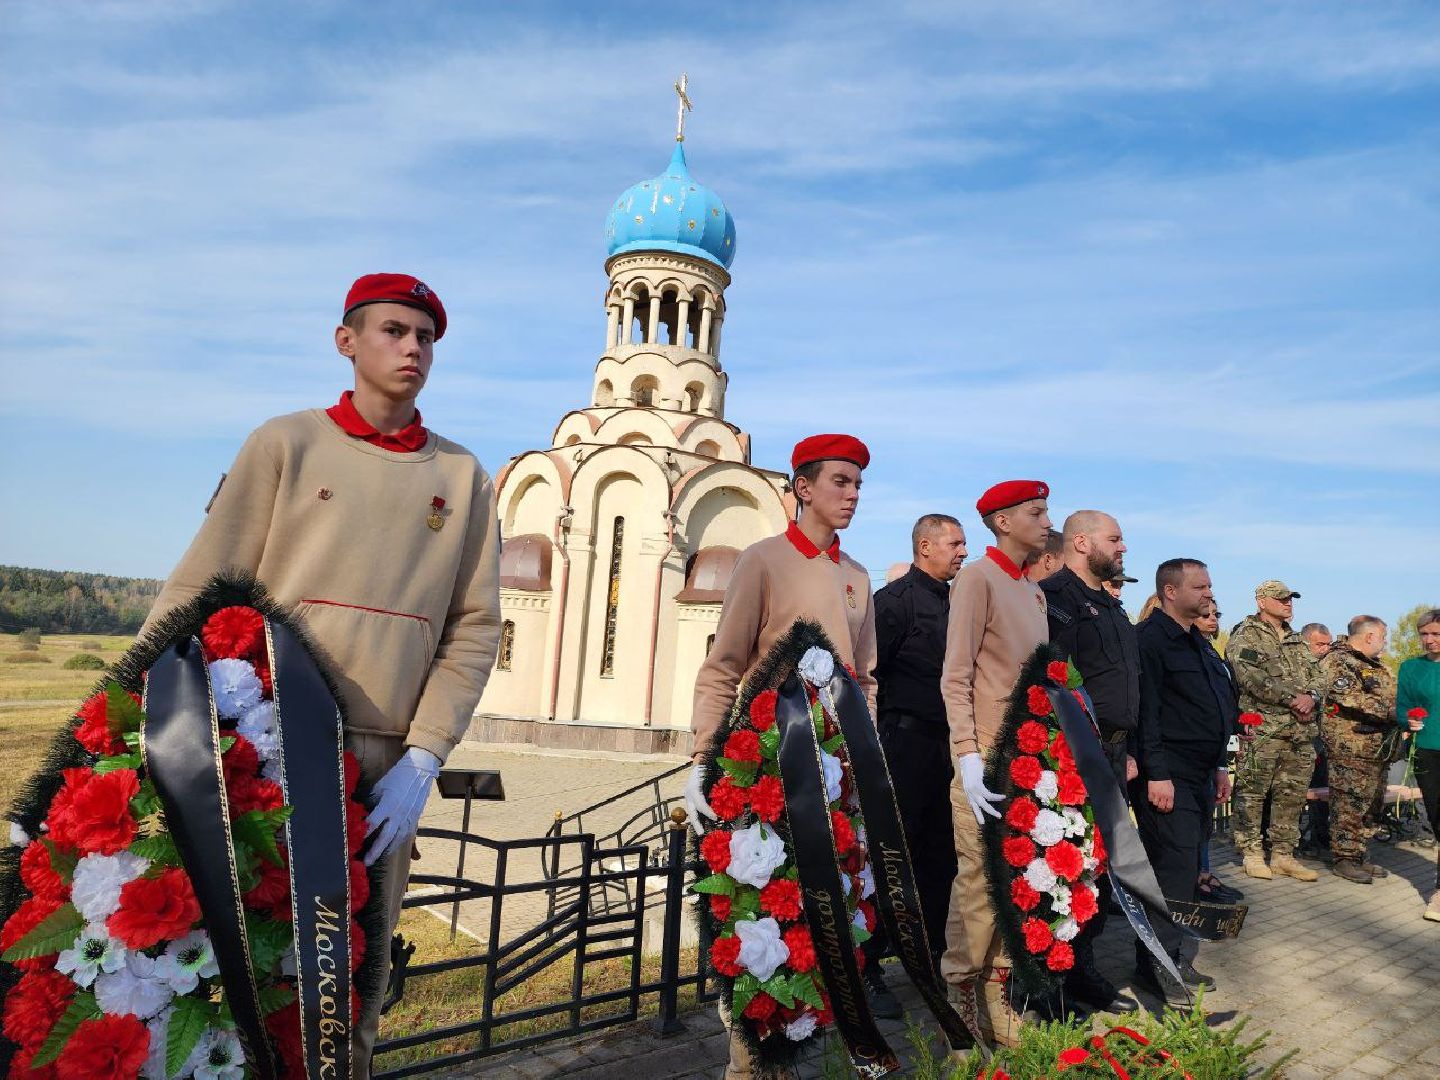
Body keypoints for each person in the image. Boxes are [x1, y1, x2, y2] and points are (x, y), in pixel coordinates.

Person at [140, 274, 503, 1076]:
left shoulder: (465, 478)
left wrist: (426, 754)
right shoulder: (287, 444)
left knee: (350, 987)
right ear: (347, 341)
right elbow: (200, 584)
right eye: (393, 331)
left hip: (380, 768)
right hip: (267, 748)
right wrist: (133, 711)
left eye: (426, 338)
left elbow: (475, 629)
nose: (413, 349)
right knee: (243, 966)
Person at [684, 434, 876, 1080]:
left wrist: (864, 768)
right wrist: (702, 759)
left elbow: (864, 680)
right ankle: (747, 1069)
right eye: (840, 482)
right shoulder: (762, 561)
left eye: (856, 484)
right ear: (803, 488)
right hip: (765, 779)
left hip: (835, 783)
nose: (852, 495)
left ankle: (792, 1062)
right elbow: (723, 667)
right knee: (763, 927)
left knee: (820, 932)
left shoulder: (857, 579)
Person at [939, 480, 1051, 1046]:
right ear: (1003, 521)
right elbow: (956, 674)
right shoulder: (978, 578)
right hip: (987, 763)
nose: (1045, 519)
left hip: (1027, 760)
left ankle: (998, 996)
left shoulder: (1032, 588)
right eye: (1036, 511)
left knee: (1016, 879)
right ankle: (960, 1001)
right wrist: (968, 754)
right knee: (979, 882)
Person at [866, 513, 967, 1017]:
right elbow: (869, 675)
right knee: (891, 855)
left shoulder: (959, 603)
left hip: (945, 749)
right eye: (955, 543)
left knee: (939, 858)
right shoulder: (894, 603)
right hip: (902, 745)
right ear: (925, 546)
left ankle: (925, 958)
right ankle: (867, 968)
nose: (963, 551)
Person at [1039, 511, 1140, 1012]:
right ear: (1081, 542)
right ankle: (1052, 976)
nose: (1123, 547)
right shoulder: (1055, 598)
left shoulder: (1111, 605)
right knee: (1067, 866)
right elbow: (1055, 682)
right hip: (1074, 756)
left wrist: (1131, 750)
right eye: (1115, 539)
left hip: (1115, 754)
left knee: (1099, 868)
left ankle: (1082, 968)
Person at [1132, 559, 1232, 1005]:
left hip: (1199, 773)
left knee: (1187, 868)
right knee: (1170, 870)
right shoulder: (1151, 640)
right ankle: (1158, 965)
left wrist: (1219, 766)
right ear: (1171, 592)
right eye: (1200, 586)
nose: (1209, 593)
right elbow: (1145, 713)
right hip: (1168, 772)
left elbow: (1211, 706)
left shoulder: (1197, 641)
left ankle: (1167, 952)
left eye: (1209, 584)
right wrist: (1158, 773)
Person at [1227, 581, 1323, 882]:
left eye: (1290, 599)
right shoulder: (1246, 634)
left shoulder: (1297, 640)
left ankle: (1284, 855)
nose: (1287, 604)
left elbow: (1320, 675)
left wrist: (1312, 697)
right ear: (1261, 601)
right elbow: (1250, 677)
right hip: (1264, 731)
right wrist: (1292, 698)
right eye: (1281, 599)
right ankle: (1252, 853)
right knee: (1252, 793)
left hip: (1301, 731)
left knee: (1292, 795)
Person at [1319, 616, 1398, 884]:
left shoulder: (1378, 667)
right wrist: (1393, 712)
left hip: (1377, 748)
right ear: (1369, 637)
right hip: (1350, 747)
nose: (1385, 642)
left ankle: (1360, 855)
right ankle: (1344, 859)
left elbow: (1394, 694)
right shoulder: (1338, 660)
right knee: (1349, 804)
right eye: (1383, 636)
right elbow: (1348, 697)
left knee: (1371, 804)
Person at [1194, 601, 1243, 904]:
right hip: (1191, 751)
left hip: (1213, 750)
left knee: (1204, 821)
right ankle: (1196, 878)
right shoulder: (1187, 651)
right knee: (1194, 822)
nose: (1213, 619)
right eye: (1205, 614)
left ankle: (1203, 872)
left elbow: (1224, 700)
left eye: (1216, 614)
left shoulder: (1212, 652)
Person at [1398, 609, 1440, 919]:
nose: (1429, 640)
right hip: (1427, 750)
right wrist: (1408, 720)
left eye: (1436, 634)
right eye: (1424, 634)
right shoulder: (1410, 668)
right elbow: (1403, 707)